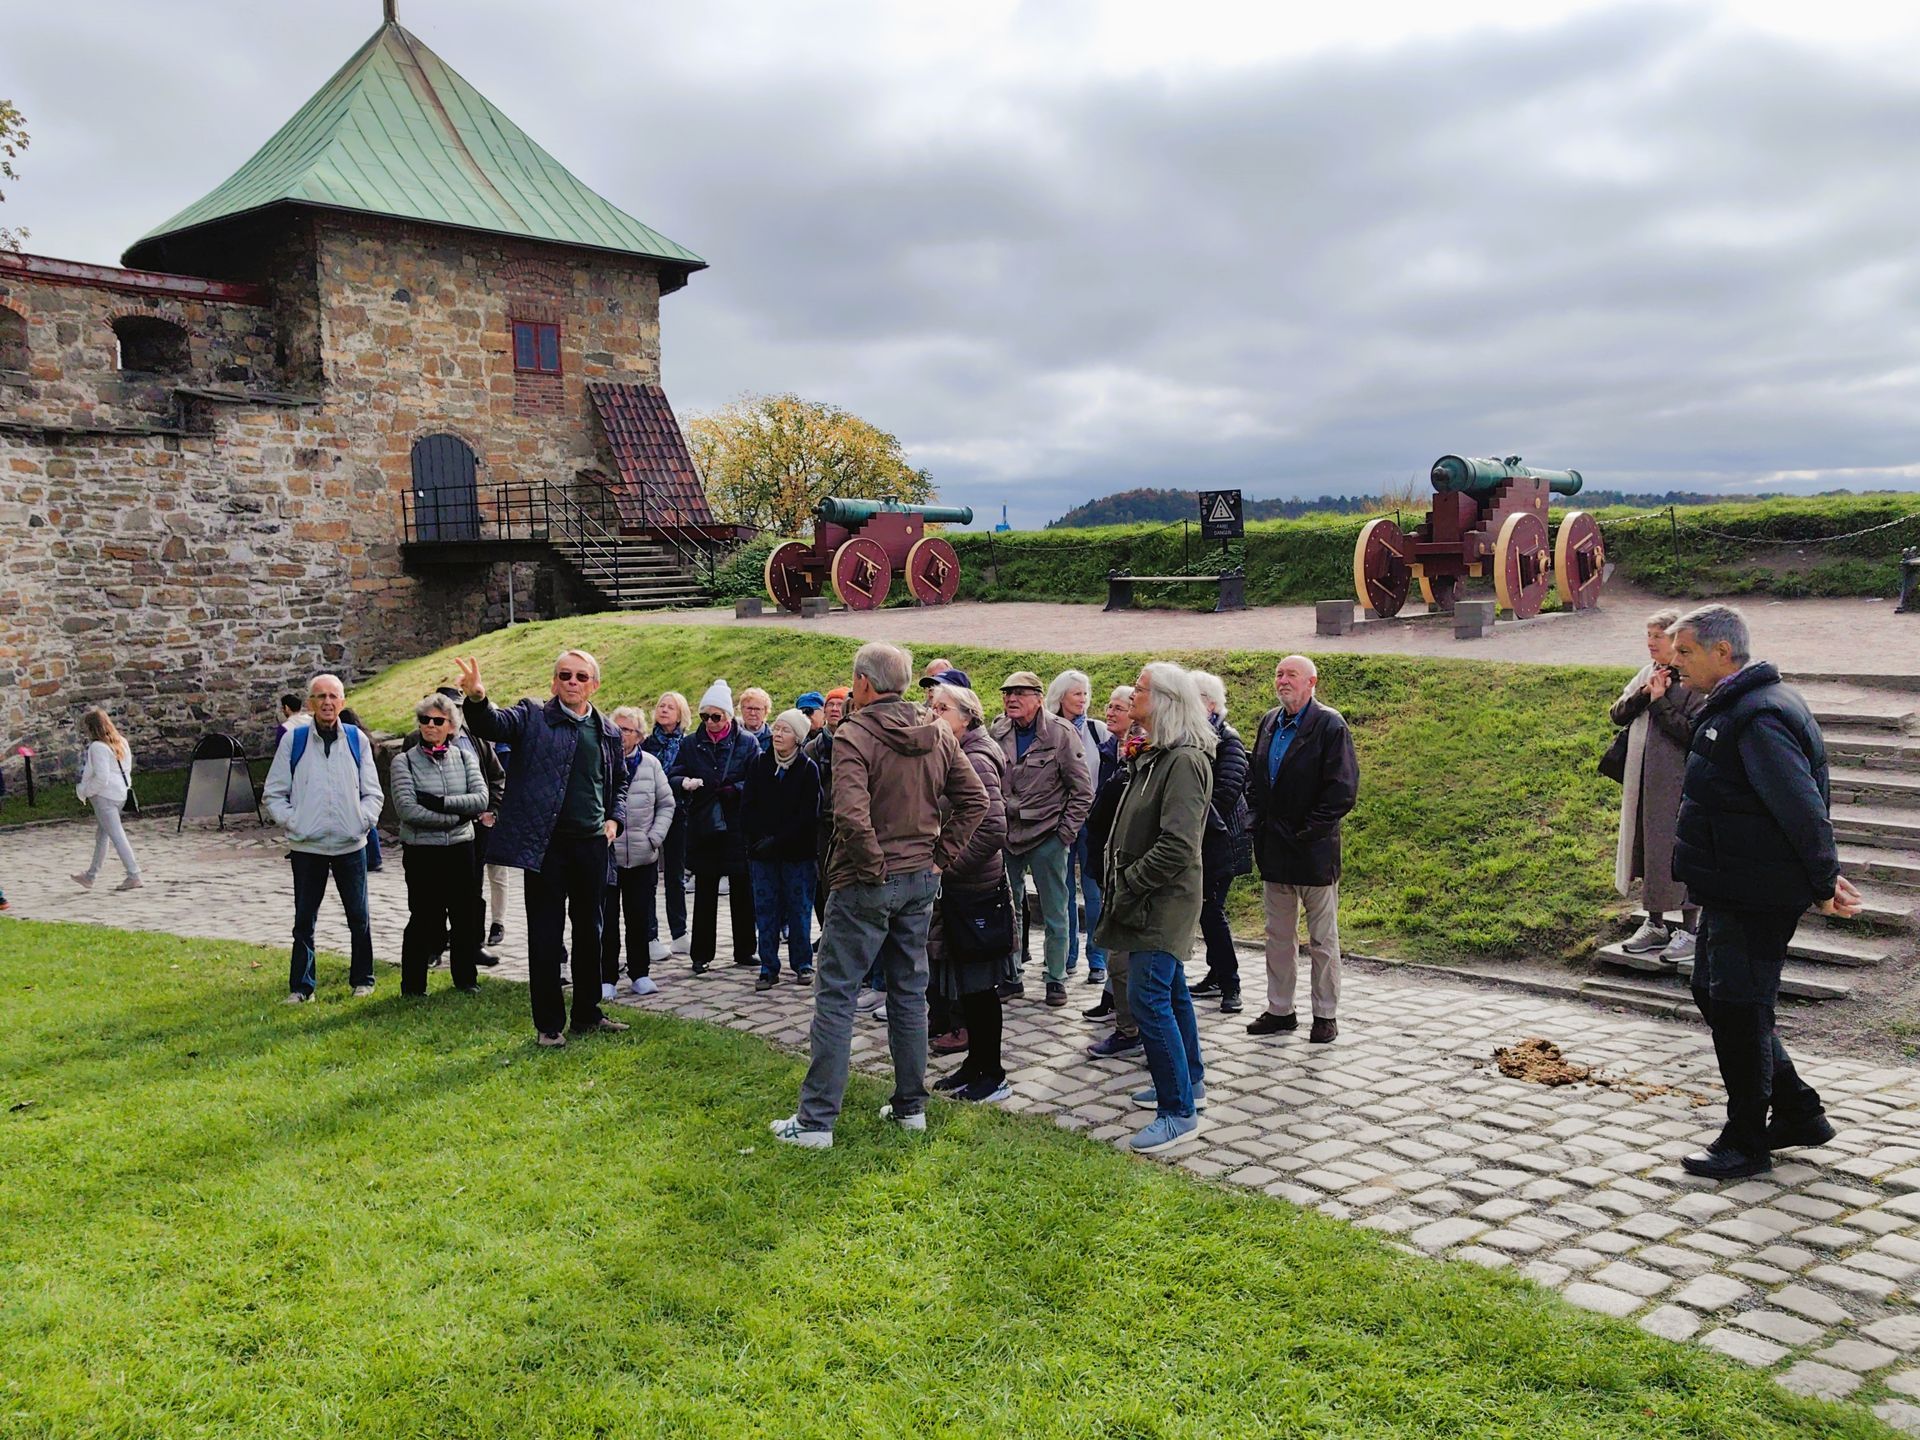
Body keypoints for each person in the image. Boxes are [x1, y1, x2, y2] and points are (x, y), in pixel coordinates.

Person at [770, 643, 989, 1149]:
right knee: (909, 994)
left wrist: (875, 869)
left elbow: (849, 814)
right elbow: (973, 799)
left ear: (864, 683)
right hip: (917, 878)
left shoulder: (854, 733)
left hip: (870, 880)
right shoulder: (935, 731)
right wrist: (938, 857)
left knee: (837, 995)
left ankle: (816, 1121)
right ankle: (911, 1108)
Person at [1669, 603, 1861, 1180]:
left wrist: (1824, 882)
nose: (1675, 663)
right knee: (1714, 994)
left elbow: (1803, 809)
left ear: (1723, 653)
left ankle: (1746, 1140)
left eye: (1685, 652)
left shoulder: (1759, 716)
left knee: (1739, 1009)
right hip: (1733, 884)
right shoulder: (1740, 706)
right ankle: (1799, 1110)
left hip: (1756, 891)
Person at [458, 649, 631, 1047]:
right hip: (545, 847)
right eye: (565, 675)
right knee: (546, 936)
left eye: (581, 677)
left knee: (591, 932)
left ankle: (588, 1014)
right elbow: (490, 724)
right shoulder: (531, 716)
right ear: (554, 682)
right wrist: (477, 697)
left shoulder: (606, 730)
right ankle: (549, 1025)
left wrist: (614, 819)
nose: (572, 682)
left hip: (591, 845)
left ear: (594, 684)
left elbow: (618, 781)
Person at [1094, 662, 1214, 1154]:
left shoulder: (1184, 760)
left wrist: (1131, 883)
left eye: (1140, 690)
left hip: (1160, 901)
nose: (1131, 694)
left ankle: (1177, 1111)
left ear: (1162, 700)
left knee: (1148, 997)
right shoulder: (1156, 755)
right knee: (1171, 991)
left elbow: (1178, 845)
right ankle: (1191, 1083)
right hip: (1146, 897)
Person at [1246, 655, 1359, 1044]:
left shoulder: (1329, 724)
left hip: (1313, 851)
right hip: (1274, 848)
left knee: (1322, 939)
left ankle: (1325, 1014)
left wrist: (1308, 829)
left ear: (1312, 681)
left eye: (1291, 674)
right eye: (1279, 674)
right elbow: (1254, 778)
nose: (1283, 681)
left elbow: (1342, 789)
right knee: (1277, 934)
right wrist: (1256, 820)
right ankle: (1281, 1009)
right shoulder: (1268, 721)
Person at [262, 674, 385, 1002]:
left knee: (359, 917)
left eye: (333, 696)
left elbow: (373, 791)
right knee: (304, 920)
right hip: (308, 845)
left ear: (342, 703)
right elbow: (274, 792)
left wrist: (362, 820)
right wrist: (294, 822)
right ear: (311, 704)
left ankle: (363, 978)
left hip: (350, 843)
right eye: (320, 697)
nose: (327, 702)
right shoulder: (294, 740)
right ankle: (302, 987)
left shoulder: (356, 739)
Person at [926, 679, 1014, 1102]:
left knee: (981, 986)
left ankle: (993, 1074)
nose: (933, 714)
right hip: (962, 888)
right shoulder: (954, 750)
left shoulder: (976, 758)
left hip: (976, 889)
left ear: (967, 716)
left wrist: (946, 865)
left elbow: (993, 828)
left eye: (943, 708)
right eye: (932, 706)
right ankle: (975, 1062)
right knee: (967, 984)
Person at [991, 670, 1094, 1007]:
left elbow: (1082, 792)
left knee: (1055, 911)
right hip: (1008, 835)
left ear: (1038, 698)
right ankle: (1011, 975)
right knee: (1008, 908)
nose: (1011, 699)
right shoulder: (998, 730)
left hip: (1047, 835)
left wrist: (1064, 834)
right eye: (1007, 693)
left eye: (1019, 693)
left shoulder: (1061, 733)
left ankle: (1055, 978)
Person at [1612, 609, 1707, 963]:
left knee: (1679, 851)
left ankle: (1690, 930)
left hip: (1680, 785)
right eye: (1648, 636)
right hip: (1644, 782)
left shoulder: (1694, 681)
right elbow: (1617, 713)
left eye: (1659, 637)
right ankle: (1655, 924)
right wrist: (1642, 695)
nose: (1651, 643)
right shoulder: (1646, 673)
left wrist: (1659, 702)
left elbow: (1692, 733)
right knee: (1648, 851)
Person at [388, 692, 490, 996]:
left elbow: (481, 798)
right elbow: (408, 810)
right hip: (423, 851)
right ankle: (414, 985)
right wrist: (459, 817)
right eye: (424, 720)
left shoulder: (464, 757)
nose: (430, 726)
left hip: (460, 848)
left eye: (437, 721)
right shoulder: (403, 762)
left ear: (451, 726)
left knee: (464, 915)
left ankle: (465, 980)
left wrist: (441, 803)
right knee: (423, 916)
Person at [671, 681, 760, 975]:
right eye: (704, 717)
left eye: (715, 717)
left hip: (736, 824)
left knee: (742, 889)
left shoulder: (747, 742)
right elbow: (673, 774)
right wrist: (684, 783)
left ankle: (745, 949)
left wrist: (737, 789)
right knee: (705, 890)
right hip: (704, 823)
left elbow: (759, 781)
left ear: (727, 716)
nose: (710, 722)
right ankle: (701, 954)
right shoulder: (689, 743)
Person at [743, 708, 822, 990]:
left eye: (785, 730)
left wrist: (778, 840)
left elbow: (807, 815)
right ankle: (768, 967)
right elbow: (748, 806)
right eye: (776, 728)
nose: (777, 734)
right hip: (762, 853)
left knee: (799, 909)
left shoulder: (806, 768)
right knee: (766, 911)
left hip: (796, 853)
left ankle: (802, 964)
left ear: (798, 738)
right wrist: (757, 840)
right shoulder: (759, 764)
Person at [1189, 670, 1252, 1014]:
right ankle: (1217, 974)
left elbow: (1227, 791)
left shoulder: (1227, 740)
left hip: (1222, 841)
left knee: (1212, 910)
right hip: (1198, 840)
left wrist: (1188, 814)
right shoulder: (1191, 738)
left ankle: (1231, 983)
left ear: (1211, 703)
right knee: (1205, 910)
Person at [603, 705, 675, 997]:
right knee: (607, 920)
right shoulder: (601, 761)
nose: (621, 735)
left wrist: (653, 838)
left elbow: (666, 804)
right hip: (608, 856)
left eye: (628, 730)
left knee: (638, 917)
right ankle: (606, 977)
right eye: (617, 728)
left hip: (643, 856)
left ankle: (640, 974)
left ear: (640, 735)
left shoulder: (651, 765)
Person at [1046, 668, 1110, 984]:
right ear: (1061, 697)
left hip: (1092, 822)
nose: (1083, 700)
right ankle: (1065, 956)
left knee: (1093, 891)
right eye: (1076, 694)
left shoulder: (1099, 731)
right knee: (1062, 892)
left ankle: (1097, 959)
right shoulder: (1048, 730)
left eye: (1085, 693)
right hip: (1058, 821)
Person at [71, 707, 143, 892]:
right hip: (120, 793)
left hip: (105, 795)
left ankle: (133, 874)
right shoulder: (121, 742)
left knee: (117, 835)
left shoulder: (98, 747)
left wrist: (86, 791)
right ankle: (90, 876)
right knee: (102, 835)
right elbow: (126, 769)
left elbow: (101, 777)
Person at [644, 691, 693, 953]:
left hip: (678, 813)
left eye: (670, 707)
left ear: (680, 713)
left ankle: (679, 932)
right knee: (649, 876)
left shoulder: (687, 744)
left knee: (675, 875)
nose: (664, 710)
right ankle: (650, 935)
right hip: (647, 815)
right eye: (661, 705)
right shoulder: (647, 743)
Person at [803, 686, 849, 925]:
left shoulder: (856, 742)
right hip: (822, 823)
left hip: (849, 822)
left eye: (839, 704)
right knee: (822, 880)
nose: (833, 708)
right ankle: (827, 930)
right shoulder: (813, 747)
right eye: (829, 704)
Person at [337, 706, 384, 873]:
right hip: (365, 781)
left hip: (355, 782)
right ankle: (374, 857)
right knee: (369, 823)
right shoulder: (365, 736)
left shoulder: (352, 738)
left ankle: (369, 857)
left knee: (363, 822)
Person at [738, 687, 774, 753]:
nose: (752, 713)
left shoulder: (772, 739)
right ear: (741, 709)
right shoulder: (733, 736)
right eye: (749, 708)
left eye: (757, 709)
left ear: (766, 711)